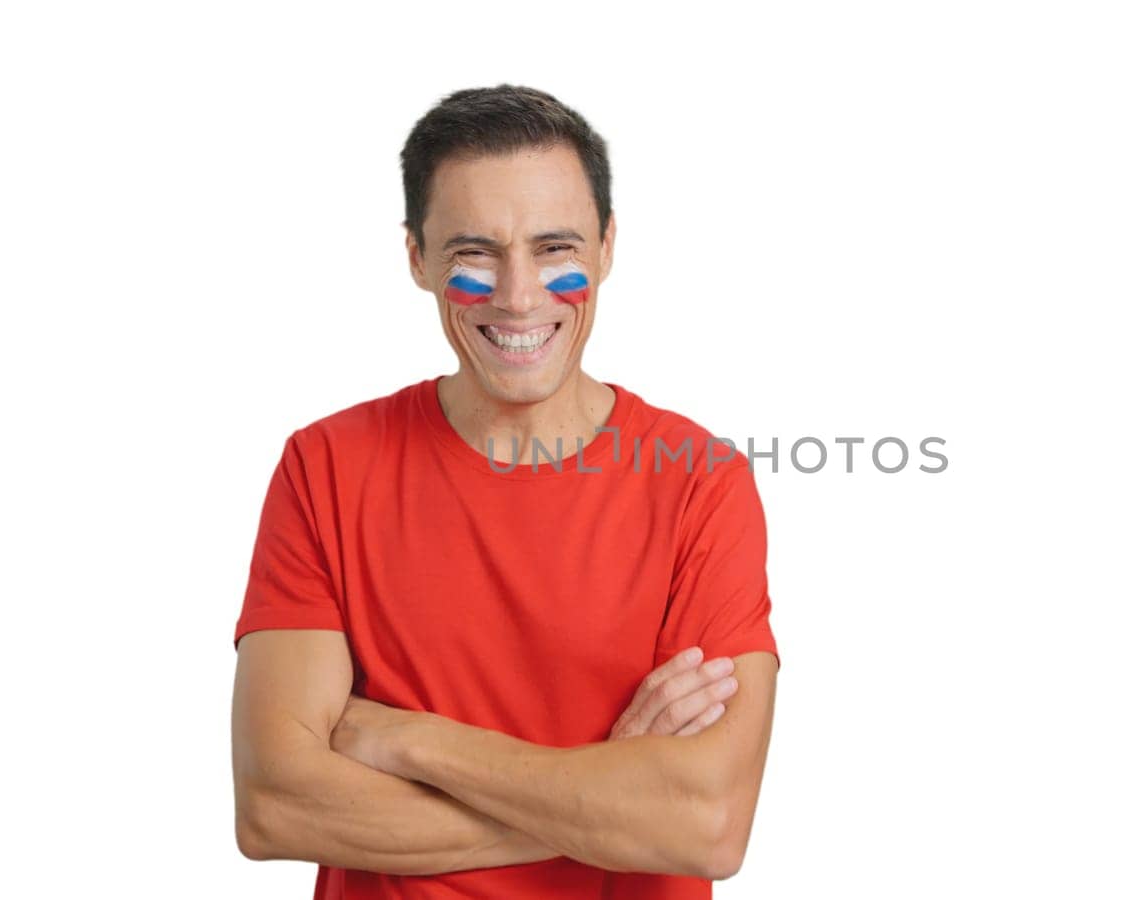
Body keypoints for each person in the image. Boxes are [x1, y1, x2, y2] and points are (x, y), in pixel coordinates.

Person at [229, 84, 781, 899]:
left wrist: (413, 743)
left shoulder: (701, 481)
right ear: (417, 257)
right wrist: (611, 795)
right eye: (473, 254)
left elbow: (707, 825)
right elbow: (275, 807)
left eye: (555, 249)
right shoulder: (325, 467)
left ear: (606, 247)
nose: (517, 296)